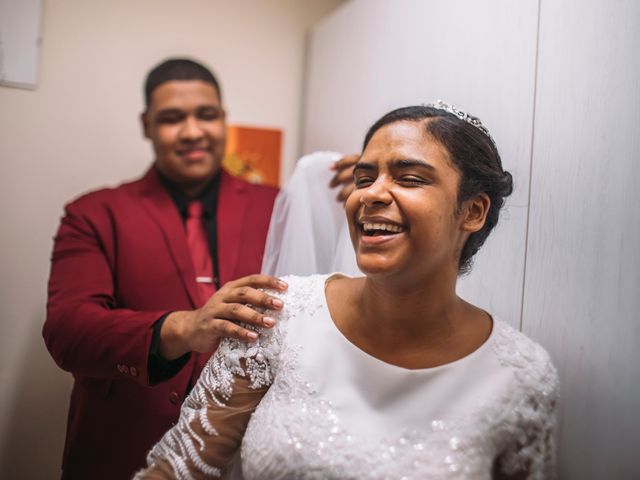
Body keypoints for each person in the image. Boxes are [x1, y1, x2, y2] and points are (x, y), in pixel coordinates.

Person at [137, 102, 560, 479]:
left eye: (409, 178)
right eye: (365, 177)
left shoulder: (522, 376)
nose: (371, 194)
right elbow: (179, 471)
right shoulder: (279, 317)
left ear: (472, 211)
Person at [43, 58, 355, 479]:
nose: (192, 131)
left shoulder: (278, 207)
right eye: (172, 118)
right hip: (122, 452)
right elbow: (68, 330)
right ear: (146, 124)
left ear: (224, 120)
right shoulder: (94, 213)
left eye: (206, 115)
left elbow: (331, 309)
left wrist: (365, 192)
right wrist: (183, 328)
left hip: (245, 456)